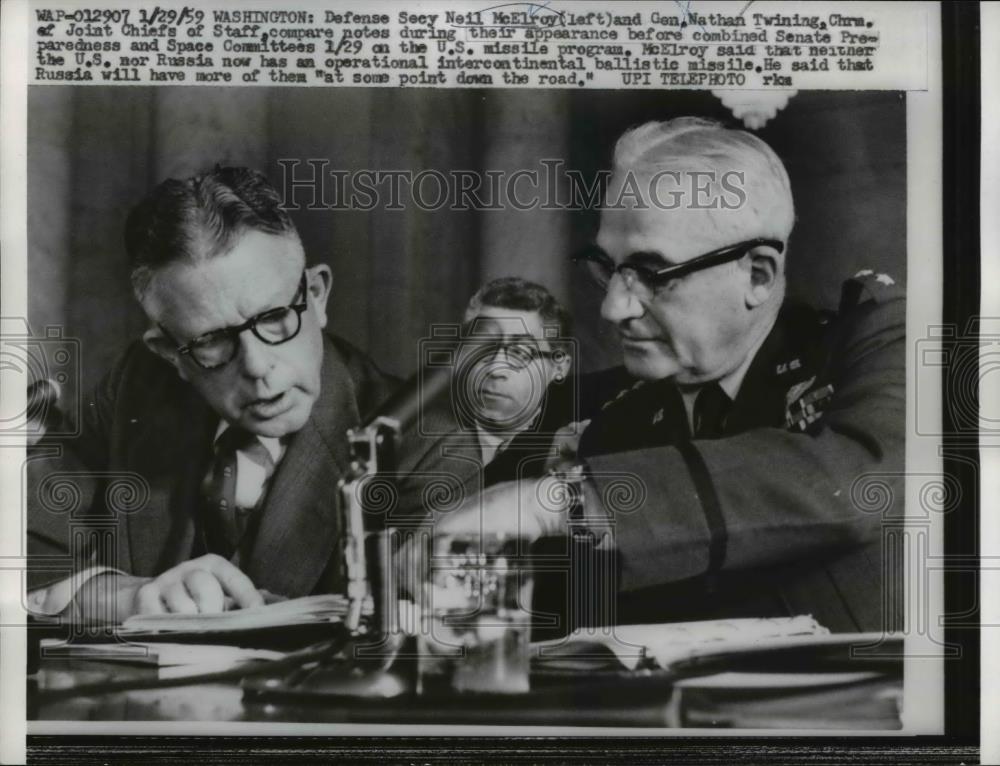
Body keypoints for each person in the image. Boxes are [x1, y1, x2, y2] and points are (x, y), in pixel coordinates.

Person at [427, 117, 906, 633]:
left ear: (757, 274)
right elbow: (547, 602)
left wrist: (557, 502)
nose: (613, 308)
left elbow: (862, 480)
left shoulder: (879, 340)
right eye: (607, 269)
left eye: (652, 275)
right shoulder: (606, 411)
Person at [26, 166, 397, 622]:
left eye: (275, 317)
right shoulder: (136, 387)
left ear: (317, 295)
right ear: (170, 354)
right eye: (211, 342)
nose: (258, 368)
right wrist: (132, 597)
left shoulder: (418, 434)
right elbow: (21, 545)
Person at [394, 277, 573, 516]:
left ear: (559, 366)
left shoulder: (569, 448)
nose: (495, 368)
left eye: (521, 352)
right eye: (482, 347)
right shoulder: (411, 435)